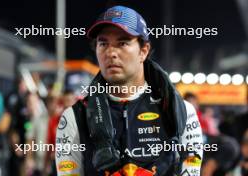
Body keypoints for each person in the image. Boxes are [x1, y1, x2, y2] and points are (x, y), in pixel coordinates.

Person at [56, 6, 203, 176]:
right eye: (103, 43)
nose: (111, 52)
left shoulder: (180, 111)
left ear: (143, 51)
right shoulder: (74, 117)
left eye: (122, 43)